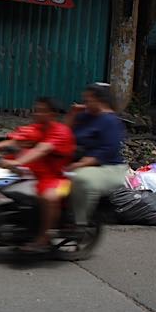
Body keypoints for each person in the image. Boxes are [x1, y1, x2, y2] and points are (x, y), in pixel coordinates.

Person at [0, 97, 75, 251]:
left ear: (52, 114)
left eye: (42, 111)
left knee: (48, 197)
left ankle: (44, 238)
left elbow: (41, 150)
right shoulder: (36, 128)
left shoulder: (61, 132)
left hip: (59, 179)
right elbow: (15, 142)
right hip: (34, 173)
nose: (37, 114)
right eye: (36, 110)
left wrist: (17, 162)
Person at [65, 83, 128, 226]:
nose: (85, 103)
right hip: (80, 162)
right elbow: (64, 134)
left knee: (82, 179)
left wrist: (80, 164)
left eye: (88, 100)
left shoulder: (110, 121)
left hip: (107, 167)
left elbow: (107, 150)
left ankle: (80, 221)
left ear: (99, 100)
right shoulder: (85, 116)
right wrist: (73, 113)